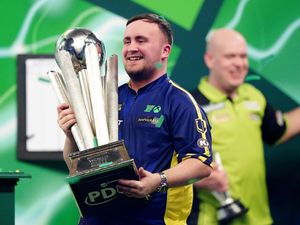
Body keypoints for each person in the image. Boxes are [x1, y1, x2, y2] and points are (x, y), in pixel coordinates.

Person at [57, 13, 213, 225]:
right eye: (127, 41)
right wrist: (70, 135)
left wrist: (158, 181)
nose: (131, 48)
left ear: (164, 51)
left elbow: (201, 164)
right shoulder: (104, 96)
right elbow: (77, 165)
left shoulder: (179, 101)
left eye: (141, 40)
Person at [188, 28, 300, 225]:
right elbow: (168, 165)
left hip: (260, 219)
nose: (239, 64)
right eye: (231, 56)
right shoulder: (190, 106)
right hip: (211, 220)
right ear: (209, 59)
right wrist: (194, 178)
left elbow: (279, 132)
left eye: (243, 56)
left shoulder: (254, 96)